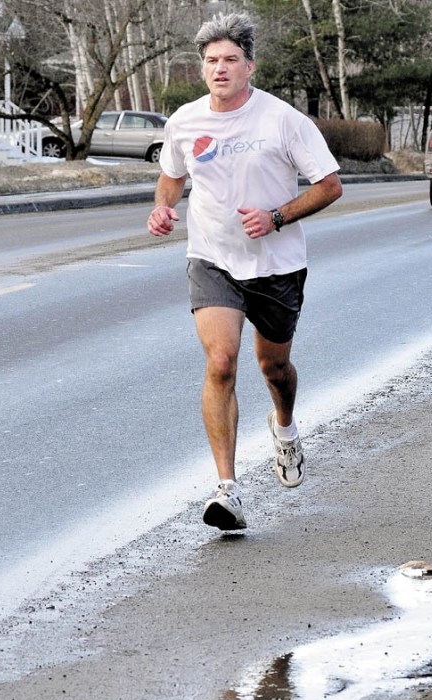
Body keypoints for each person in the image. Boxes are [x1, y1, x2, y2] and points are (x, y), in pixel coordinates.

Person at [147, 12, 343, 532]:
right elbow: (171, 178)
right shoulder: (185, 121)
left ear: (249, 66)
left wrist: (277, 216)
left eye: (230, 59)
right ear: (202, 68)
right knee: (221, 362)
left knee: (274, 368)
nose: (220, 68)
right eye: (211, 60)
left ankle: (284, 428)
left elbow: (329, 185)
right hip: (212, 257)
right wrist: (163, 208)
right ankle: (228, 490)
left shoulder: (282, 120)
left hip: (277, 265)